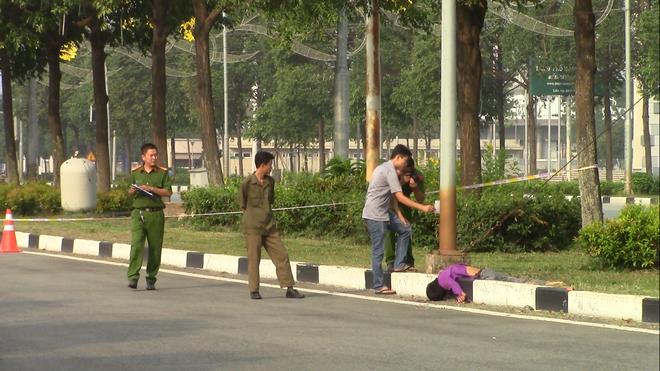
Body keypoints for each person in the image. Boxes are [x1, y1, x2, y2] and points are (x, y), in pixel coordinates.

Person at [362, 144, 435, 295]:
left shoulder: (386, 169)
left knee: (405, 228)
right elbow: (400, 196)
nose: (406, 166)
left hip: (384, 213)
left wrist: (399, 216)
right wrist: (422, 208)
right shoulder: (388, 171)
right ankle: (378, 286)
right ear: (398, 158)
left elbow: (392, 196)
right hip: (375, 215)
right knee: (378, 251)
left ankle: (398, 264)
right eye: (405, 161)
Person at [239, 151, 305, 300]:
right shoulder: (247, 183)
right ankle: (254, 290)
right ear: (262, 165)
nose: (271, 167)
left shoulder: (270, 182)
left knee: (282, 255)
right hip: (253, 227)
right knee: (254, 259)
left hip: (270, 227)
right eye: (270, 165)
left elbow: (270, 202)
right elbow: (243, 205)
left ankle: (289, 288)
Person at [127, 143, 173, 290]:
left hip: (155, 214)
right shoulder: (135, 172)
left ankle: (151, 278)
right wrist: (132, 191)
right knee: (136, 245)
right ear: (143, 157)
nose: (154, 158)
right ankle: (133, 277)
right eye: (151, 155)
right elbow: (128, 192)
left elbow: (168, 192)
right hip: (139, 213)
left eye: (155, 155)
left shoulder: (162, 173)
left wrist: (152, 189)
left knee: (155, 247)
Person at [426, 263, 566, 302]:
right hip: (486, 271)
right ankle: (548, 283)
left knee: (515, 284)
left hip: (485, 278)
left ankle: (529, 286)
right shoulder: (443, 273)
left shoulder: (444, 281)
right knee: (514, 280)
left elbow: (454, 286)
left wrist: (459, 295)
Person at [385, 157, 425, 272]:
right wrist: (401, 182)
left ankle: (408, 261)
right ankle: (391, 261)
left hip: (405, 204)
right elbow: (390, 192)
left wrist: (415, 187)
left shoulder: (417, 174)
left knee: (406, 230)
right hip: (390, 204)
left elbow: (421, 199)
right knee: (390, 233)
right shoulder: (392, 172)